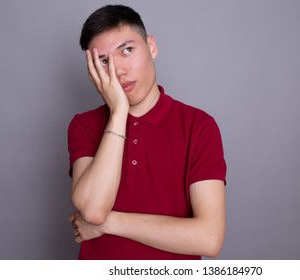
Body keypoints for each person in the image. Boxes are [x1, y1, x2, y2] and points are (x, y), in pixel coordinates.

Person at [67, 4, 227, 260]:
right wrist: (119, 112)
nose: (118, 70)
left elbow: (209, 239)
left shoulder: (199, 125)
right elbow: (93, 211)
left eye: (127, 50)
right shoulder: (84, 125)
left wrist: (109, 224)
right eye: (104, 61)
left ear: (152, 47)